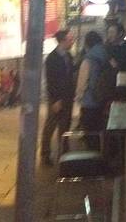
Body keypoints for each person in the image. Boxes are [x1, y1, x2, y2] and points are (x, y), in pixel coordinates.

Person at [41, 29, 75, 166]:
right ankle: (45, 154)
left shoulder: (69, 56)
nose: (72, 42)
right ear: (62, 41)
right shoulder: (52, 58)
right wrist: (55, 100)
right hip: (56, 98)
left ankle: (64, 153)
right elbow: (51, 80)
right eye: (70, 39)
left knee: (65, 125)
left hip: (68, 97)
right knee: (51, 125)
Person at [76, 30, 110, 133]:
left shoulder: (88, 59)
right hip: (102, 98)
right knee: (98, 129)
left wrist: (79, 96)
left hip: (89, 100)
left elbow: (82, 82)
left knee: (89, 132)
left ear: (87, 43)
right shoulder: (105, 55)